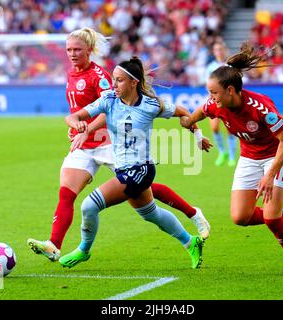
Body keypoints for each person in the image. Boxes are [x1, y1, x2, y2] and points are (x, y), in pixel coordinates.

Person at [27, 28, 211, 263]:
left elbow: (113, 110)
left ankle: (192, 213)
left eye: (77, 50)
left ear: (89, 50)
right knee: (143, 210)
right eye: (69, 50)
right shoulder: (84, 81)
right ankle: (54, 244)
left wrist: (196, 132)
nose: (72, 54)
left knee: (98, 203)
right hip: (88, 147)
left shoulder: (113, 86)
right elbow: (93, 110)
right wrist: (77, 125)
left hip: (111, 145)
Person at [59, 56, 207, 269]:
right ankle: (190, 242)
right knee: (151, 214)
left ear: (133, 83)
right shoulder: (109, 100)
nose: (114, 85)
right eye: (113, 79)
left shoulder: (150, 105)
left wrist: (198, 136)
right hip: (123, 170)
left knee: (88, 206)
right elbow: (74, 116)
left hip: (141, 170)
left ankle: (83, 250)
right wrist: (78, 125)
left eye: (119, 80)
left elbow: (184, 113)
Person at [181, 42, 283, 277]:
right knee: (240, 217)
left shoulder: (259, 108)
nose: (211, 98)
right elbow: (191, 118)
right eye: (209, 93)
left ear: (230, 90)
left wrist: (269, 176)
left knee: (270, 217)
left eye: (214, 93)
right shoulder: (214, 105)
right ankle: (282, 216)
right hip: (250, 156)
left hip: (279, 155)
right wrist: (193, 130)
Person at [205, 41, 237, 167]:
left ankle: (232, 156)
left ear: (224, 50)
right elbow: (207, 84)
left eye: (220, 49)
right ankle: (222, 152)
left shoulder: (230, 66)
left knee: (230, 129)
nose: (219, 51)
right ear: (214, 52)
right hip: (214, 100)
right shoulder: (210, 67)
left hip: (228, 101)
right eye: (216, 49)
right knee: (214, 127)